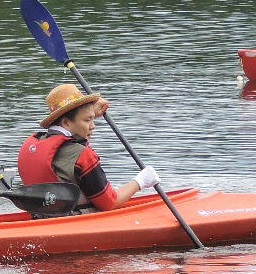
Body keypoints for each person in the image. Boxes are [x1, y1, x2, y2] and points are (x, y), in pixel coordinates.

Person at [17, 84, 161, 212]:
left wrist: (86, 119)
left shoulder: (34, 144)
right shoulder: (83, 155)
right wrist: (142, 181)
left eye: (93, 118)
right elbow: (110, 203)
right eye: (87, 120)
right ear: (66, 123)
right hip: (76, 223)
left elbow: (70, 155)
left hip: (42, 218)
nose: (93, 125)